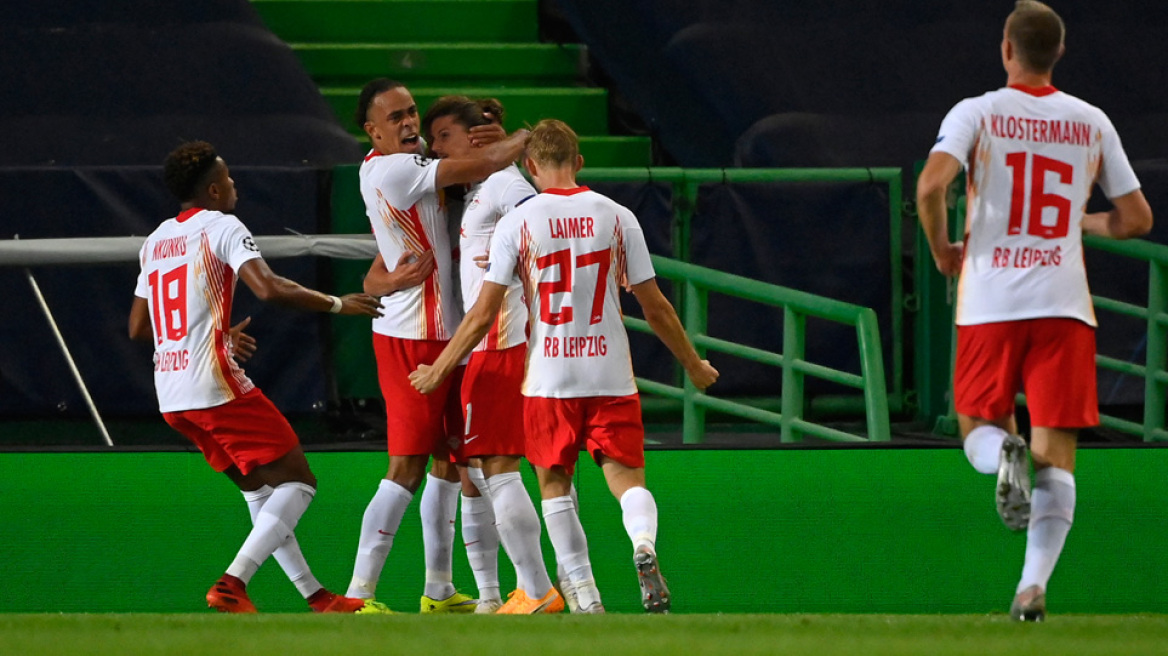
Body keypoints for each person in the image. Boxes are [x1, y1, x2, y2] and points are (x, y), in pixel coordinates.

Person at [410, 119, 719, 614]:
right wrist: (694, 365)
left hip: (549, 376)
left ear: (530, 167)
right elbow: (655, 306)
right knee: (628, 481)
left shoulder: (519, 222)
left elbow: (484, 312)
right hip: (610, 372)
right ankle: (643, 544)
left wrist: (440, 367)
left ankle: (586, 598)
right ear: (578, 162)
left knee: (555, 486)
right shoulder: (617, 216)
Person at [916, 1, 1153, 622]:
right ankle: (1031, 589)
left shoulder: (978, 112)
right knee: (1059, 454)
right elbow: (1137, 219)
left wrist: (945, 251)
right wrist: (1083, 221)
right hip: (1064, 304)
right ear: (1059, 53)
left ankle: (1002, 456)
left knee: (977, 426)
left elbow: (930, 185)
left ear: (1006, 49)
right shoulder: (1091, 121)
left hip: (991, 299)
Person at [128, 141, 388, 614]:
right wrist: (338, 303)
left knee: (260, 492)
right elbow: (269, 288)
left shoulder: (155, 240)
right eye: (228, 179)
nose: (234, 187)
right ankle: (232, 582)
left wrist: (214, 333)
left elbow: (139, 328)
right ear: (211, 189)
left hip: (171, 395)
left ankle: (316, 596)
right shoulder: (223, 225)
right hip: (214, 384)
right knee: (299, 484)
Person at [345, 78, 530, 613]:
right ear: (371, 131)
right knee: (404, 466)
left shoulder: (414, 162)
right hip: (411, 338)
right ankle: (359, 595)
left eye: (412, 113)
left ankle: (439, 590)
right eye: (395, 118)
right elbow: (477, 164)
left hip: (448, 337)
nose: (408, 124)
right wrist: (526, 135)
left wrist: (374, 281)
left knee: (452, 464)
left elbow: (385, 261)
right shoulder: (393, 169)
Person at [420, 95, 563, 614]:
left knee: (499, 466)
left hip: (504, 343)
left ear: (475, 139)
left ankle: (538, 588)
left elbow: (545, 232)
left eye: (444, 138)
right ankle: (498, 595)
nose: (435, 150)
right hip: (487, 347)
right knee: (479, 470)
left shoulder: (505, 185)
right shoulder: (476, 190)